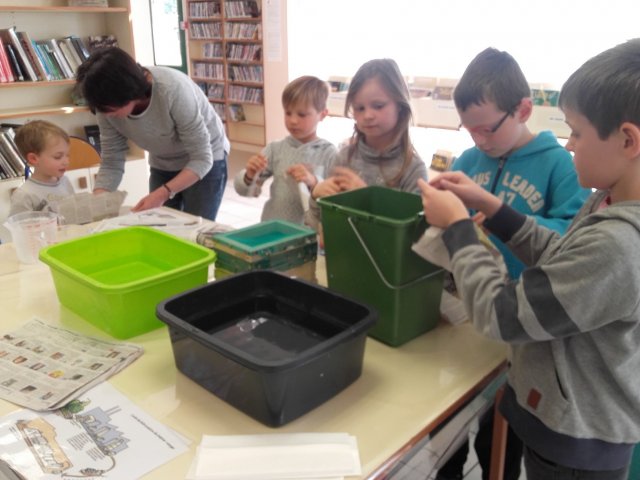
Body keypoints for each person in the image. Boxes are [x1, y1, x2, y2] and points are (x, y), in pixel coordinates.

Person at [416, 38, 640, 480]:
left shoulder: (620, 245)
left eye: (576, 131)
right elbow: (560, 256)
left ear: (628, 139)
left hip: (576, 443)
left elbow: (503, 316)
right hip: (560, 423)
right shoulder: (607, 202)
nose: (569, 143)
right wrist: (494, 209)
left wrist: (461, 230)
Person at [436, 48, 590, 480]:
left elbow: (569, 236)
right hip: (465, 308)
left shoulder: (559, 163)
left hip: (523, 319)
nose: (479, 140)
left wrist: (503, 216)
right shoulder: (469, 162)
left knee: (502, 427)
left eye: (486, 128)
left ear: (523, 110)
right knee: (452, 412)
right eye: (469, 130)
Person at [75, 47, 230, 221]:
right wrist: (99, 199)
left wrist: (164, 192)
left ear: (126, 92)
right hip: (163, 161)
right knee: (160, 225)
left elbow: (202, 158)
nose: (107, 114)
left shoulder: (172, 90)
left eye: (111, 108)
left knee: (194, 227)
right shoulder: (105, 108)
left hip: (205, 157)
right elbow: (112, 162)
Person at [305, 58, 427, 231]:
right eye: (359, 108)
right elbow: (317, 226)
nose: (368, 115)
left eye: (378, 106)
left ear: (400, 106)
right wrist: (316, 196)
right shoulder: (343, 158)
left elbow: (412, 239)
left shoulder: (413, 169)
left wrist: (367, 198)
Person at [233, 75, 336, 223]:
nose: (293, 120)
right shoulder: (275, 149)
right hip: (275, 228)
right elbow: (247, 191)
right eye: (288, 113)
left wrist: (314, 182)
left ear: (322, 115)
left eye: (302, 114)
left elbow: (336, 201)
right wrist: (249, 175)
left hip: (310, 234)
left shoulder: (329, 153)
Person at [9, 120, 74, 215]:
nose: (66, 162)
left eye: (67, 155)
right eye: (58, 157)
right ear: (34, 158)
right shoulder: (24, 195)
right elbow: (19, 227)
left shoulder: (65, 182)